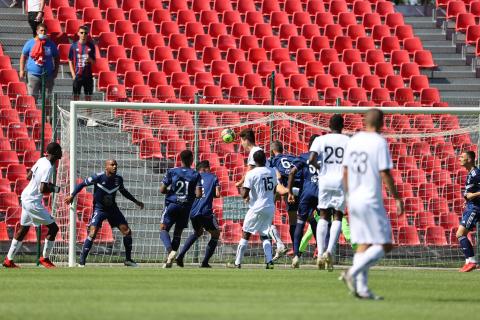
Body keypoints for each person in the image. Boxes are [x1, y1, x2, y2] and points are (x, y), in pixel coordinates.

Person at [340, 108, 404, 300]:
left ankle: (362, 289)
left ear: (364, 121)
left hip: (354, 199)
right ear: (382, 123)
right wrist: (397, 197)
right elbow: (384, 173)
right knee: (385, 244)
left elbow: (345, 171)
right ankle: (352, 272)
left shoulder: (354, 140)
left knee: (364, 244)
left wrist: (348, 196)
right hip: (370, 199)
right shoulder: (379, 142)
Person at [64, 160, 144, 267]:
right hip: (99, 209)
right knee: (92, 233)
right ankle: (82, 261)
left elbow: (123, 191)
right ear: (106, 167)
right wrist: (72, 195)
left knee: (127, 231)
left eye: (116, 165)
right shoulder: (98, 177)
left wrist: (136, 201)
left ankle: (128, 260)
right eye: (112, 165)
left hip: (113, 209)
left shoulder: (118, 179)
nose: (115, 166)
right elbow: (82, 184)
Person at [3, 142, 63, 268]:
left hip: (25, 196)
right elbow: (42, 189)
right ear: (56, 153)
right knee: (54, 228)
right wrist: (53, 188)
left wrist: (43, 183)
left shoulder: (41, 160)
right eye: (60, 150)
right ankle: (45, 259)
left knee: (24, 228)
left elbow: (28, 176)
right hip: (33, 201)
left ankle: (8, 260)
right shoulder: (48, 167)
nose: (61, 152)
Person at [235, 128, 287, 261]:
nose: (241, 144)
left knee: (247, 231)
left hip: (267, 182)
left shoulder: (254, 152)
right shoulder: (258, 151)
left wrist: (240, 184)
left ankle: (237, 262)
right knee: (265, 226)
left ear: (246, 139)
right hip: (269, 182)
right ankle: (277, 247)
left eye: (241, 141)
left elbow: (249, 173)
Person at [309, 114, 350, 271]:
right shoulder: (348, 141)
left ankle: (320, 253)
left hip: (325, 180)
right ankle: (330, 251)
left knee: (324, 215)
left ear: (329, 125)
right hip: (341, 180)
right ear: (342, 126)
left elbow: (311, 158)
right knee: (338, 215)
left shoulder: (320, 139)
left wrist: (321, 169)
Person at [230, 150, 278, 269]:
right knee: (264, 234)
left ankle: (237, 263)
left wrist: (241, 187)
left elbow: (244, 194)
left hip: (256, 208)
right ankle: (269, 261)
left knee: (246, 233)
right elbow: (275, 189)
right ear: (265, 159)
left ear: (254, 161)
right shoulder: (272, 171)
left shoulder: (251, 173)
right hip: (269, 206)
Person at [175, 160, 221, 268]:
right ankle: (205, 262)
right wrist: (209, 193)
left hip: (192, 211)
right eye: (209, 168)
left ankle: (180, 256)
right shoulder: (213, 177)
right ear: (205, 168)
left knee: (198, 232)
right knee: (216, 234)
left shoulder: (192, 177)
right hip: (205, 211)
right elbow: (218, 194)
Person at [159, 150, 201, 268]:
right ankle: (169, 261)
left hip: (172, 204)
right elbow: (198, 194)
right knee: (178, 233)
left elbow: (162, 190)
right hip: (185, 207)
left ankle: (169, 252)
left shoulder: (172, 171)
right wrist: (188, 196)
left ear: (180, 159)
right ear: (191, 160)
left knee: (163, 229)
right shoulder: (196, 174)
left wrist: (172, 192)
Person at [287, 134, 321, 268]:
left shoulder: (303, 156)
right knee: (325, 222)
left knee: (300, 223)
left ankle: (296, 256)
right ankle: (322, 253)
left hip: (306, 194)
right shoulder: (324, 158)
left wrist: (289, 192)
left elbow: (291, 172)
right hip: (321, 193)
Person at [269, 141, 302, 246]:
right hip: (300, 184)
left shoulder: (272, 160)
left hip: (288, 187)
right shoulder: (292, 157)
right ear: (282, 149)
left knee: (292, 220)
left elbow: (277, 175)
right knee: (309, 218)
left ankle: (295, 249)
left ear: (272, 151)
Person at [20, 23, 59, 102]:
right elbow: (23, 56)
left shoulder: (51, 44)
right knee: (32, 99)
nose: (43, 32)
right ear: (37, 31)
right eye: (41, 30)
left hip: (48, 76)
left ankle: (47, 115)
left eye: (45, 31)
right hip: (33, 75)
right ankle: (33, 114)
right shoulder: (30, 43)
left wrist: (56, 70)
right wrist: (21, 70)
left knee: (47, 99)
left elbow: (57, 57)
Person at [457, 151, 480, 272]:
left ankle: (471, 261)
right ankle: (469, 262)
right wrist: (467, 199)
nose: (459, 158)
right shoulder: (470, 174)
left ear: (469, 159)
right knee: (460, 234)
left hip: (475, 208)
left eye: (462, 157)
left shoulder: (476, 173)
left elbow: (474, 193)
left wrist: (473, 195)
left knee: (460, 233)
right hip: (471, 205)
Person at [69, 26, 96, 100]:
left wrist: (89, 59)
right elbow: (70, 60)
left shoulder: (91, 46)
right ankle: (75, 112)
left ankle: (88, 112)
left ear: (88, 34)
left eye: (85, 33)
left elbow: (94, 62)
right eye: (81, 32)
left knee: (88, 98)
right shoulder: (73, 46)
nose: (83, 34)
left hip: (88, 75)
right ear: (78, 33)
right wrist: (73, 75)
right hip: (78, 75)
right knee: (76, 97)